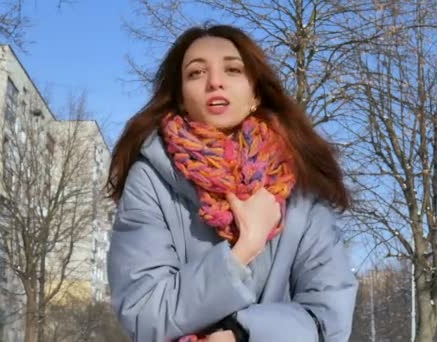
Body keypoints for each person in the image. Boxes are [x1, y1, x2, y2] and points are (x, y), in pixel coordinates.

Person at [105, 23, 358, 342]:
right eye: (196, 73)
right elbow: (144, 312)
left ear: (255, 92)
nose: (215, 82)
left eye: (233, 69)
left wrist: (243, 333)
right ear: (182, 98)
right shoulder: (150, 180)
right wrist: (244, 249)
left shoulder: (302, 182)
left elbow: (329, 317)